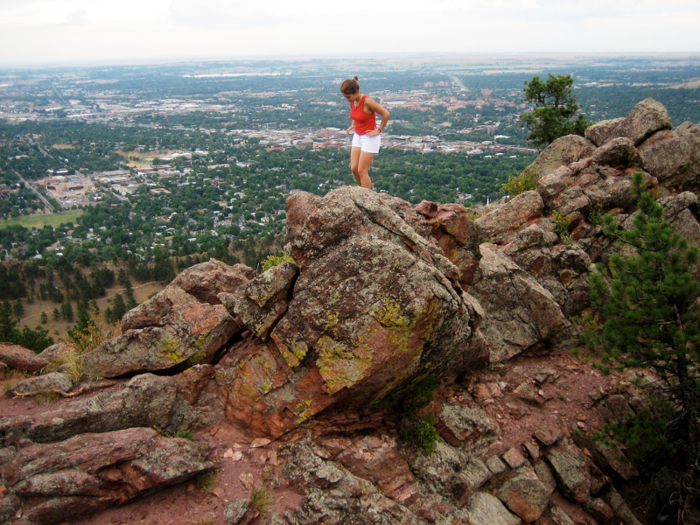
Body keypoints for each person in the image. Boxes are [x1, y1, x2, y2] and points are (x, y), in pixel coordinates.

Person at [340, 76, 390, 189]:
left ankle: (367, 197)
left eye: (348, 96)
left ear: (356, 92)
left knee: (362, 170)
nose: (347, 99)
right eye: (345, 97)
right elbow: (357, 114)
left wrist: (379, 130)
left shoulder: (367, 101)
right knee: (354, 168)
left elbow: (386, 114)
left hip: (369, 137)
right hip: (358, 135)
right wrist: (354, 124)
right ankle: (363, 192)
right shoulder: (353, 101)